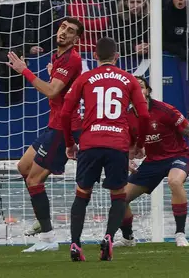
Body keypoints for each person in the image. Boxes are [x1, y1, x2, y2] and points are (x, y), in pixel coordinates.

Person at [60, 36, 150, 262]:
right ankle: (109, 237)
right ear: (117, 56)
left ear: (94, 56)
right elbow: (144, 115)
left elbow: (65, 113)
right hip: (117, 144)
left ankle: (75, 243)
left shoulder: (84, 78)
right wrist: (139, 144)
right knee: (118, 196)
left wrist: (70, 143)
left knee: (82, 194)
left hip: (90, 143)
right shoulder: (129, 79)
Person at [4, 18, 84, 251]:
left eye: (70, 31)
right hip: (54, 124)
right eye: (62, 27)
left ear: (76, 39)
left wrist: (24, 70)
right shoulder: (58, 56)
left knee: (34, 180)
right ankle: (42, 218)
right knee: (23, 167)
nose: (64, 32)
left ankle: (49, 238)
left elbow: (51, 91)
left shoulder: (71, 59)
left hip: (63, 127)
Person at [114, 76, 189, 247]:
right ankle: (128, 238)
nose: (138, 90)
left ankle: (180, 234)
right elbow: (128, 146)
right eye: (133, 88)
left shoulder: (166, 110)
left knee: (174, 181)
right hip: (152, 161)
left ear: (148, 91)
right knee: (120, 198)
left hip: (177, 156)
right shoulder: (127, 117)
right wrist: (127, 159)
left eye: (141, 86)